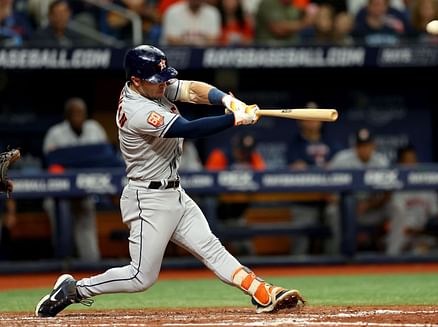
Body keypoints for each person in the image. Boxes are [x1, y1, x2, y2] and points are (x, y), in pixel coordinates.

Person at [35, 45, 304, 318]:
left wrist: (226, 100)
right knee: (141, 277)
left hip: (175, 191)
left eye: (164, 78)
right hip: (147, 198)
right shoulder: (136, 108)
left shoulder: (154, 85)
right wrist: (234, 119)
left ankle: (262, 292)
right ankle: (75, 289)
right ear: (136, 81)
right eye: (157, 81)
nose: (164, 84)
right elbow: (186, 128)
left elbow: (192, 90)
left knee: (211, 247)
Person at [42, 97, 109, 262]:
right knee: (57, 215)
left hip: (86, 190)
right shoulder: (55, 133)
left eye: (82, 113)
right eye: (75, 114)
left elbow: (106, 157)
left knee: (86, 222)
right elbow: (51, 164)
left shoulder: (94, 128)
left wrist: (71, 159)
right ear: (67, 116)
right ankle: (63, 262)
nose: (79, 117)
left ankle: (91, 264)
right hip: (60, 192)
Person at [286, 101, 341, 255]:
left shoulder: (330, 142)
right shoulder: (294, 144)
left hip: (328, 198)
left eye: (315, 116)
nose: (312, 121)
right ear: (300, 120)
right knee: (300, 237)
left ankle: (336, 266)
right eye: (308, 116)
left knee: (336, 218)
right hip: (305, 199)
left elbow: (338, 166)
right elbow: (296, 167)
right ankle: (297, 269)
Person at [326, 127, 391, 254]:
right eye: (361, 146)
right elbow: (325, 186)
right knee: (332, 211)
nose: (364, 149)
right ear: (355, 146)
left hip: (370, 208)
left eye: (367, 145)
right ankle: (340, 255)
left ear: (373, 146)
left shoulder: (381, 162)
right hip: (344, 208)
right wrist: (344, 206)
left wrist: (369, 204)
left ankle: (393, 256)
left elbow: (388, 193)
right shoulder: (341, 159)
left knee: (396, 207)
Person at [386, 145, 438, 255]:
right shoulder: (395, 186)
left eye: (413, 160)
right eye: (407, 161)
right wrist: (409, 230)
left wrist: (423, 230)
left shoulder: (426, 185)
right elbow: (396, 216)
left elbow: (435, 214)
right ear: (400, 163)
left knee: (423, 248)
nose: (411, 164)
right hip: (401, 235)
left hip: (422, 233)